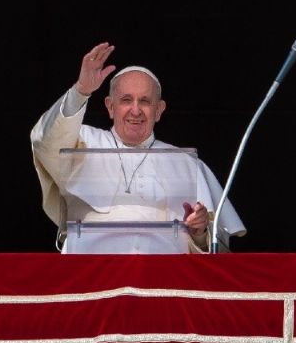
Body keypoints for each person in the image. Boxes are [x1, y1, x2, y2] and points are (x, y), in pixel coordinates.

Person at [31, 42, 246, 254]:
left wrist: (199, 231)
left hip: (163, 279)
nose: (135, 110)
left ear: (159, 110)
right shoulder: (82, 141)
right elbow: (46, 142)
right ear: (110, 106)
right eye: (126, 100)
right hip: (92, 276)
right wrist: (81, 91)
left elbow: (218, 247)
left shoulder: (185, 163)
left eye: (144, 101)